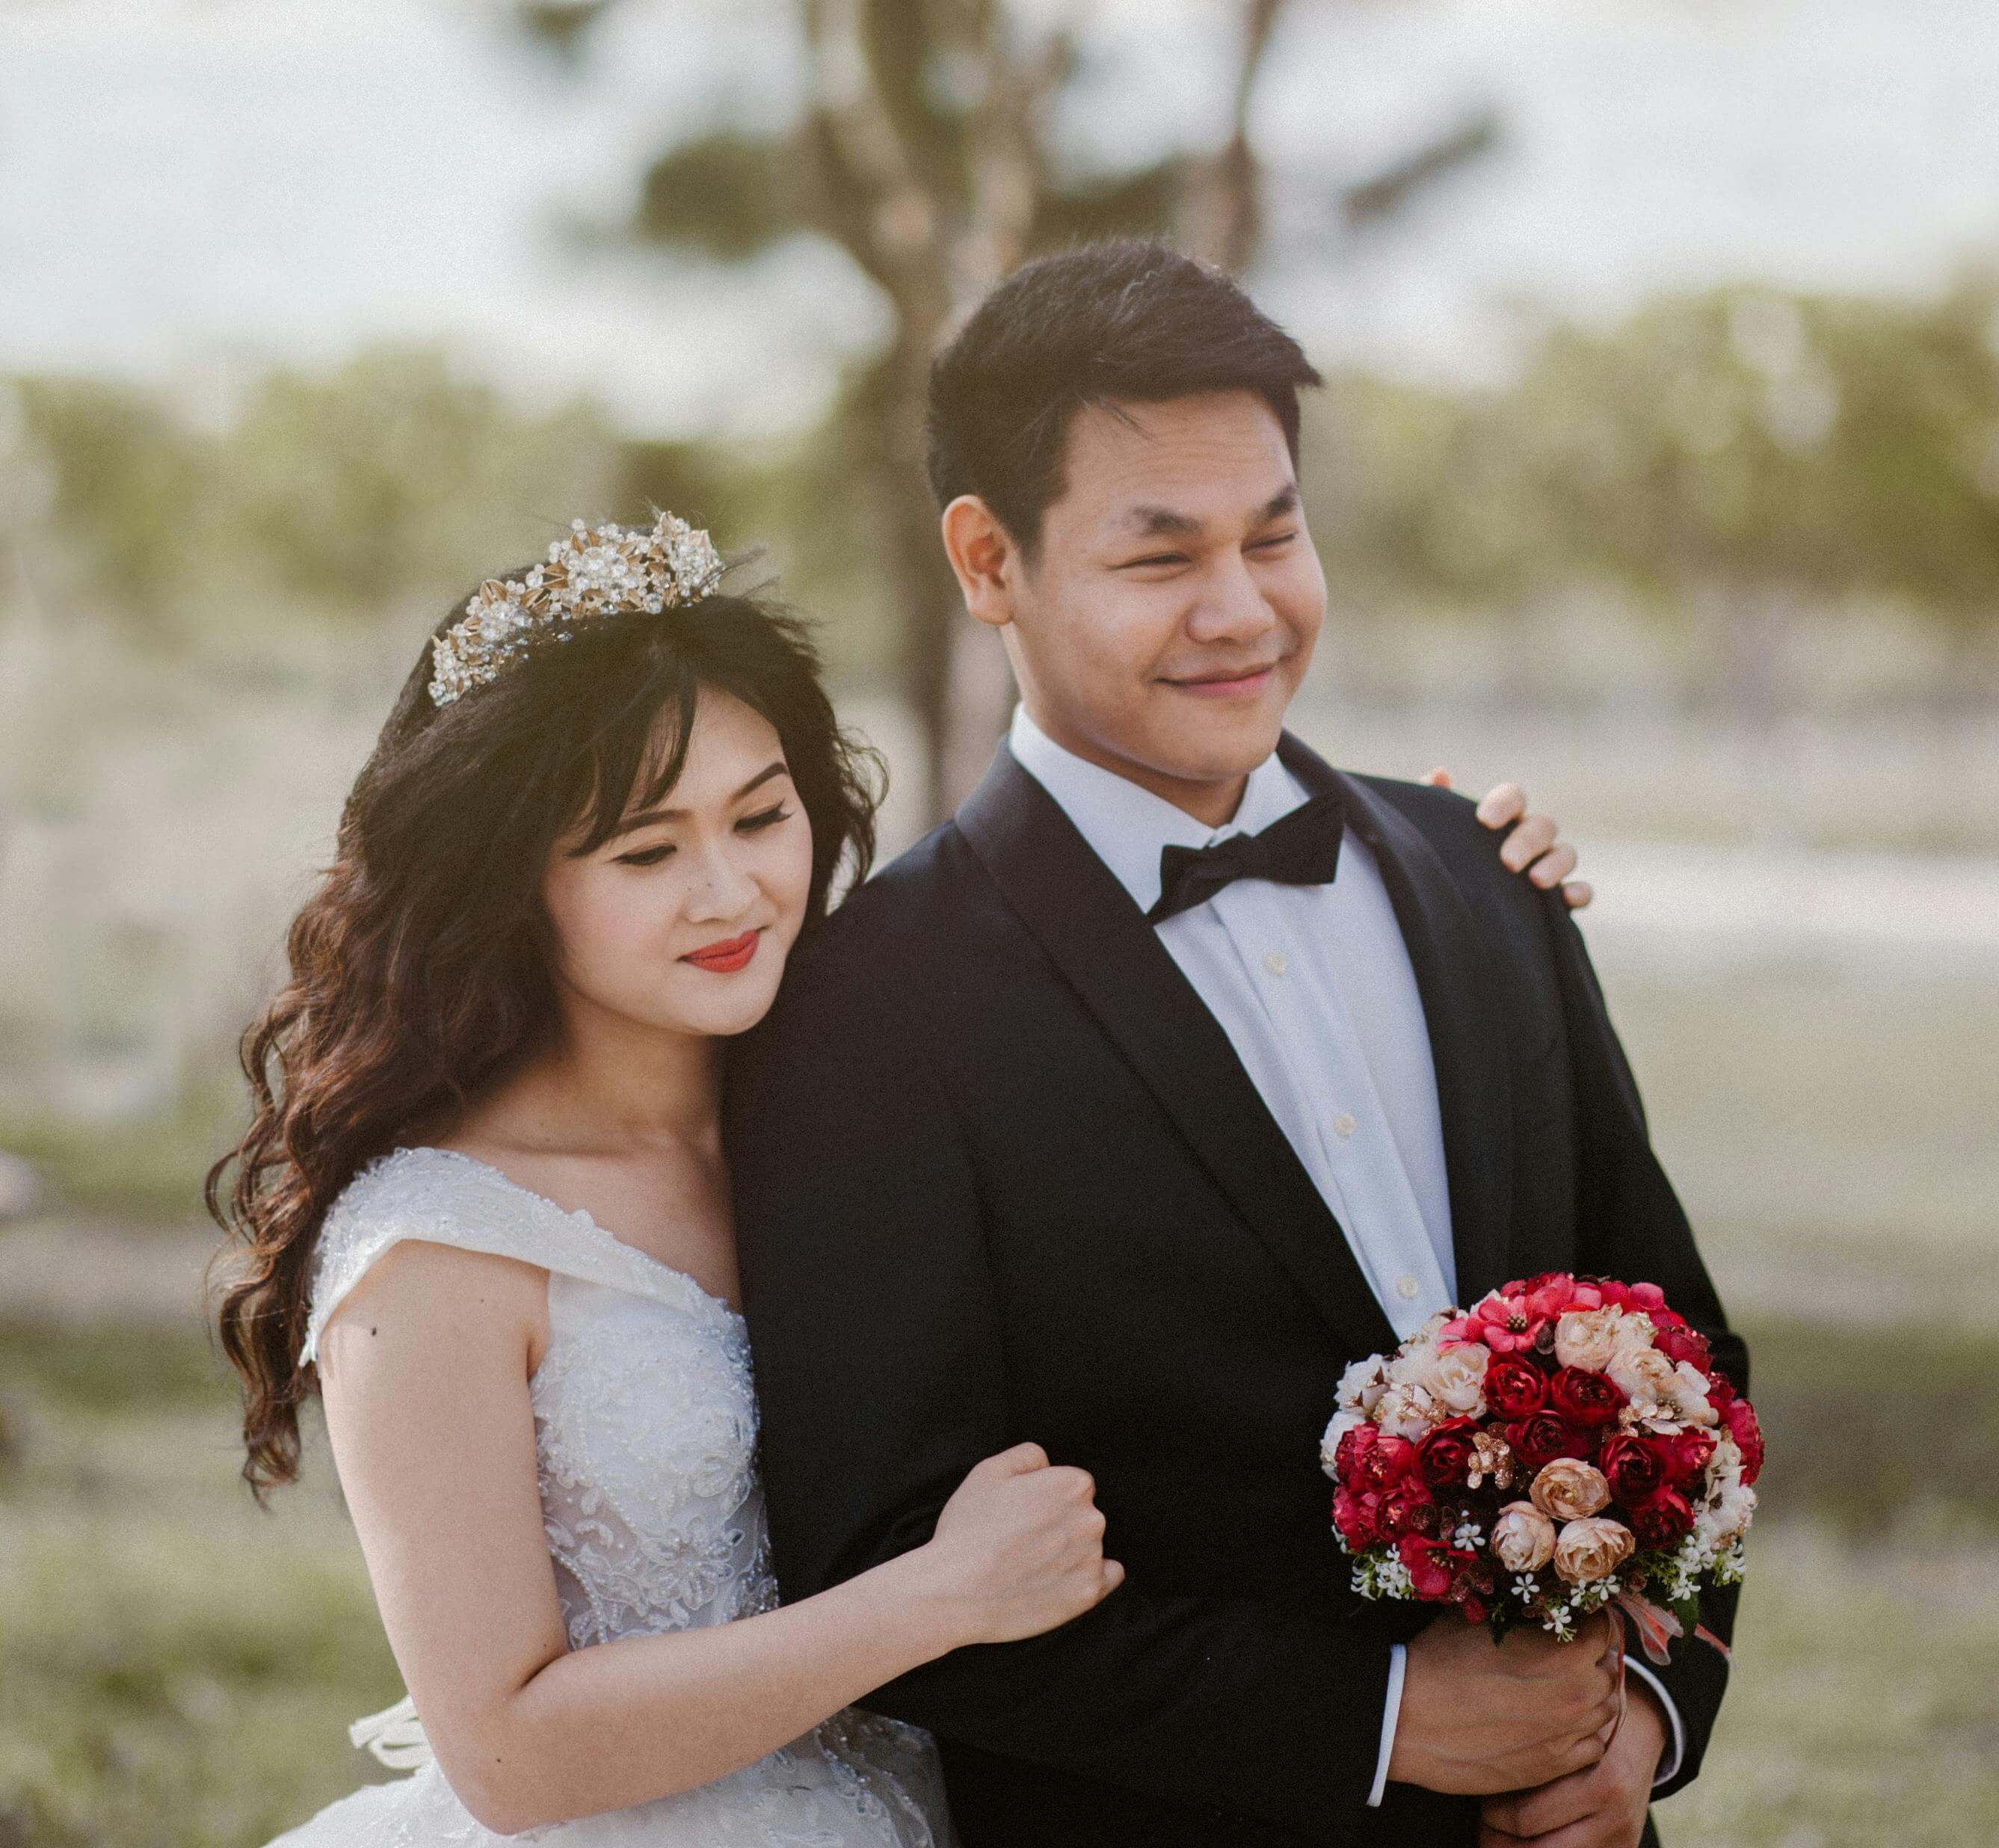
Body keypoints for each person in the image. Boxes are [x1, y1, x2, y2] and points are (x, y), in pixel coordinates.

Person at [209, 509, 1597, 1845]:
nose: (728, 892)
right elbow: (507, 1754)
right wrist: (930, 1600)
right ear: (506, 888)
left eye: (759, 819)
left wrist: (1461, 869)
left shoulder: (874, 1095)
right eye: (646, 852)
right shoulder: (440, 1238)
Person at [725, 242, 1747, 1848]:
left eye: (1273, 533)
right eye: (1159, 557)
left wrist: (1641, 1715)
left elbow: (1678, 1353)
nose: (1240, 609)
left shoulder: (1486, 881)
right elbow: (885, 1561)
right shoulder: (868, 1006)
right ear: (988, 561)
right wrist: (1387, 1724)